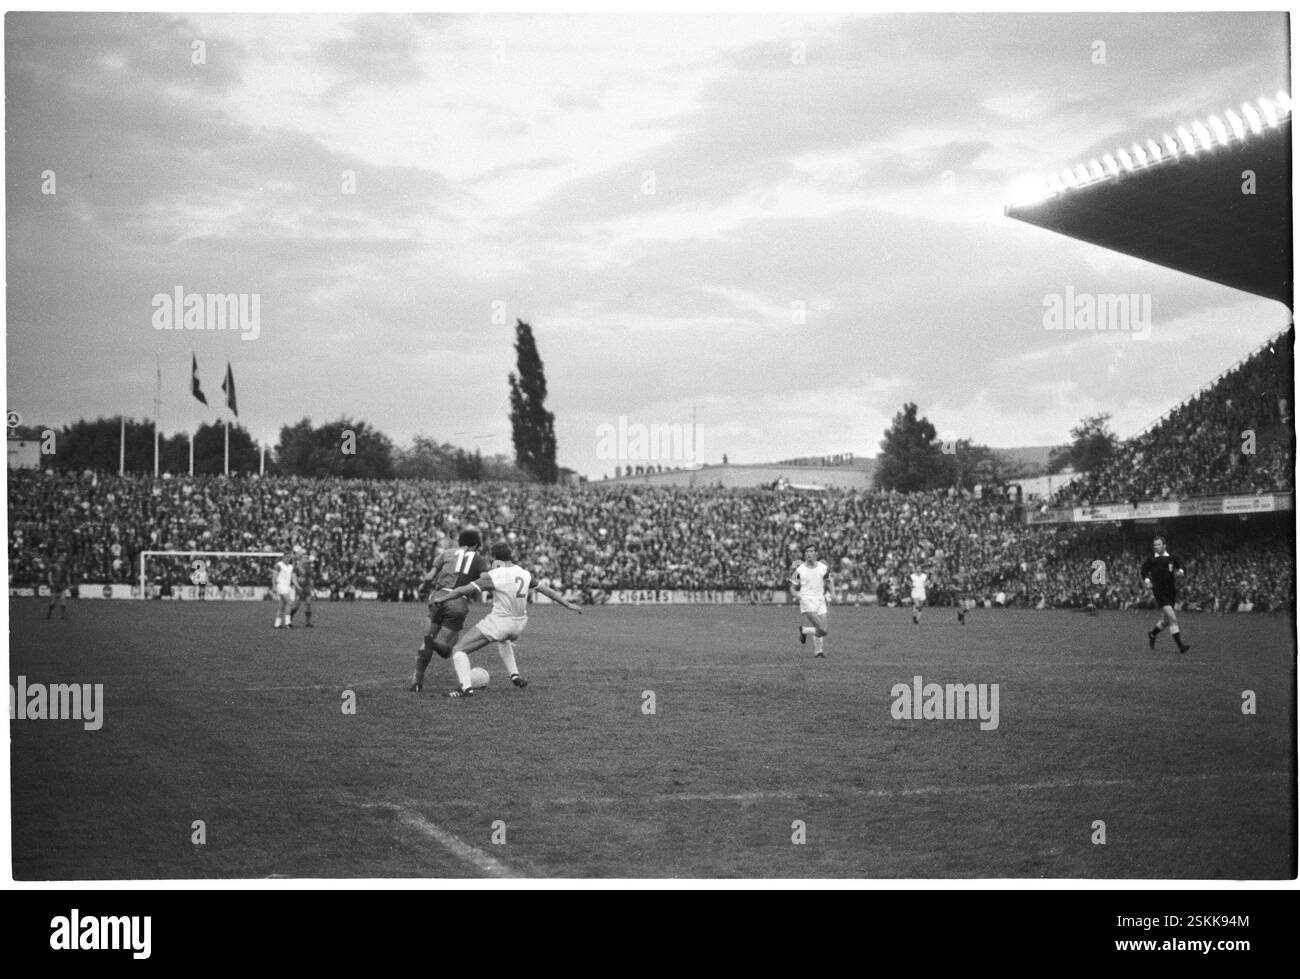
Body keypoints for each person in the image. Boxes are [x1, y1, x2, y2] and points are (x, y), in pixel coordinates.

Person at [431, 542, 581, 698]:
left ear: (495, 558)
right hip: (519, 624)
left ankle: (465, 688)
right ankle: (515, 676)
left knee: (459, 649)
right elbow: (546, 590)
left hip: (500, 622)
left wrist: (443, 598)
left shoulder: (495, 575)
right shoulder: (524, 573)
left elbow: (464, 589)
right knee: (504, 639)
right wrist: (568, 604)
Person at [408, 529, 489, 693]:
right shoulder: (478, 559)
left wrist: (423, 587)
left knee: (428, 639)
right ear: (475, 544)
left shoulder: (446, 553)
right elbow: (485, 579)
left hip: (437, 597)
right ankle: (431, 640)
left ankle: (417, 681)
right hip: (458, 601)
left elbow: (429, 577)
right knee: (446, 649)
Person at [1141, 536, 1190, 654]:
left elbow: (1182, 567)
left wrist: (1181, 572)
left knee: (1166, 621)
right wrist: (1148, 581)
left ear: (1164, 545)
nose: (1156, 547)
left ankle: (1152, 634)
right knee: (1173, 618)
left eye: (1158, 544)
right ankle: (1181, 646)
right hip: (1159, 591)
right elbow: (1143, 571)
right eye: (1155, 545)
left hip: (1171, 591)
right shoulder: (1151, 559)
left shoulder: (1172, 558)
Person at [790, 544, 830, 658]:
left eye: (811, 551)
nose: (809, 553)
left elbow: (827, 580)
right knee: (821, 628)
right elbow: (792, 587)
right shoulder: (799, 570)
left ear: (816, 554)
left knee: (823, 630)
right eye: (807, 551)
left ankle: (806, 633)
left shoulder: (823, 567)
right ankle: (818, 651)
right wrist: (797, 595)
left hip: (820, 600)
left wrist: (831, 592)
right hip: (807, 600)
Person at [271, 551, 299, 629]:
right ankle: (288, 623)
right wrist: (274, 586)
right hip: (281, 586)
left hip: (287, 586)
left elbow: (292, 578)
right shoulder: (279, 565)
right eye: (286, 557)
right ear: (283, 557)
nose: (288, 558)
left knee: (282, 605)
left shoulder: (290, 566)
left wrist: (297, 586)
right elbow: (274, 576)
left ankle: (277, 624)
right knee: (290, 602)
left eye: (289, 557)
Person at [290, 550, 315, 628]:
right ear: (300, 559)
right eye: (305, 558)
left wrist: (313, 588)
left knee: (308, 604)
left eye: (307, 558)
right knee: (296, 606)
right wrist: (297, 586)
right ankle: (289, 620)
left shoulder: (309, 568)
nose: (307, 559)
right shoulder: (297, 568)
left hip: (307, 588)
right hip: (300, 588)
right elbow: (293, 578)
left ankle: (308, 622)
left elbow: (310, 579)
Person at [46, 556, 70, 621]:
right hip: (55, 585)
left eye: (63, 560)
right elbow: (49, 574)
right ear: (58, 560)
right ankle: (49, 613)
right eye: (62, 559)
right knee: (52, 602)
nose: (63, 561)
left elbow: (67, 575)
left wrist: (68, 582)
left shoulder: (64, 567)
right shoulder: (53, 566)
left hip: (62, 585)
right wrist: (50, 582)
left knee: (63, 600)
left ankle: (63, 615)